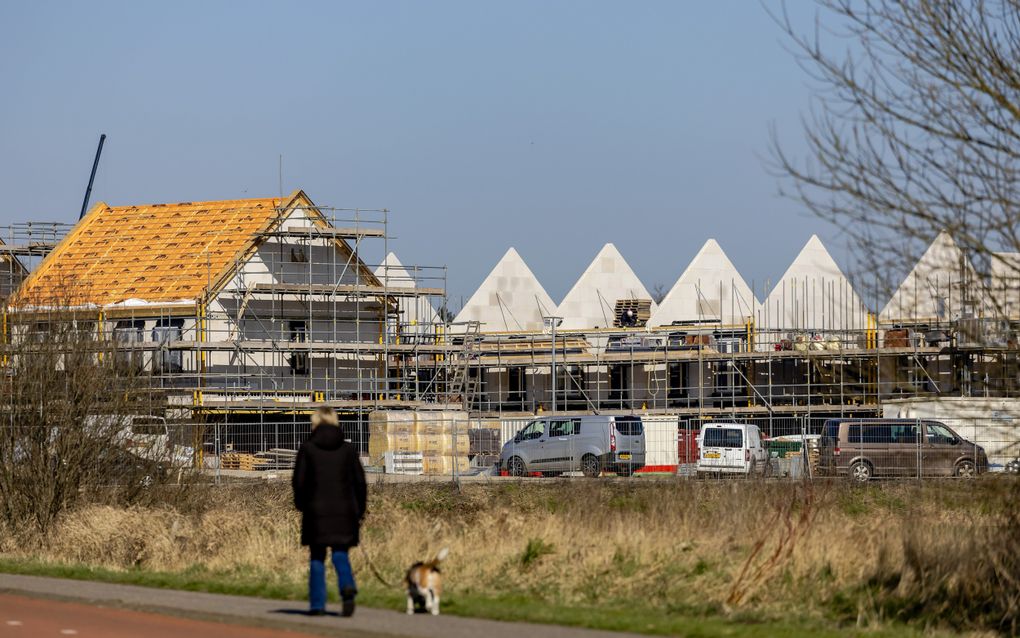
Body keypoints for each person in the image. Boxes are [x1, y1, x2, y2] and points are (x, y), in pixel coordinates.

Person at [292, 406, 367, 617]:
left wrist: (301, 503)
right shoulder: (348, 450)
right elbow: (360, 483)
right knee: (340, 553)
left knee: (317, 557)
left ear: (315, 422)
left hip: (316, 510)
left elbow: (299, 481)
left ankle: (317, 605)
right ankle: (347, 585)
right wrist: (360, 510)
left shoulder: (307, 449)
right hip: (344, 511)